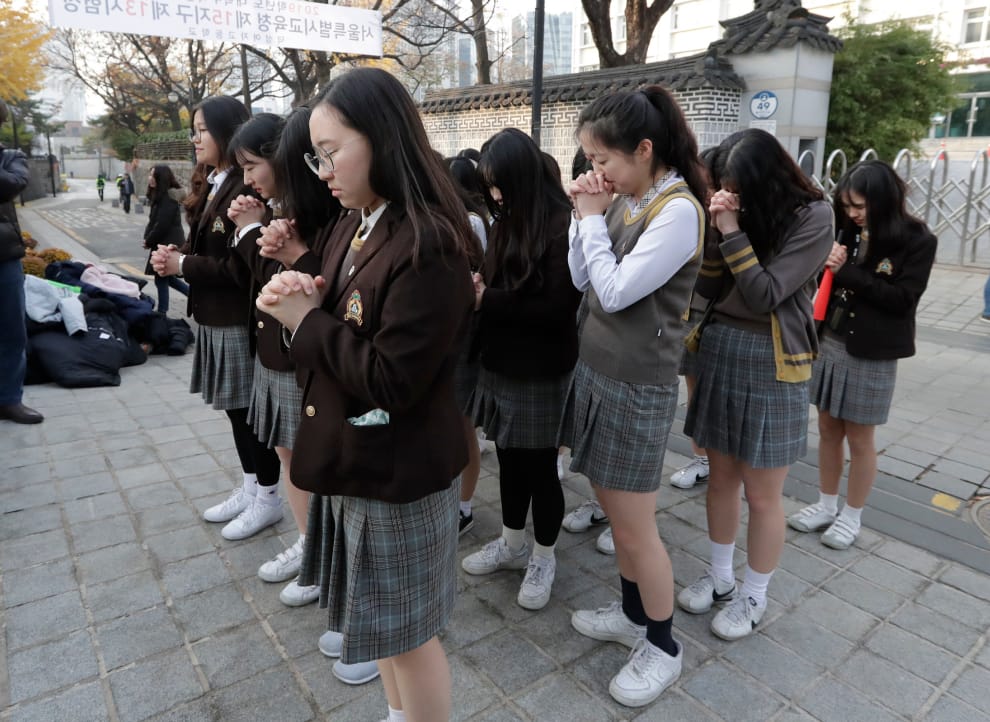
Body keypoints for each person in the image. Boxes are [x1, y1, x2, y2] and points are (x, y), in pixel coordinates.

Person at [256, 67, 475, 722]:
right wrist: (303, 287)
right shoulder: (358, 223)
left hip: (397, 472)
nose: (322, 171)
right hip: (358, 458)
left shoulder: (428, 242)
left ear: (383, 139)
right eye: (315, 157)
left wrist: (305, 320)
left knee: (408, 636)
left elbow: (392, 379)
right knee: (379, 625)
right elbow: (347, 314)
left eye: (331, 152)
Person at [561, 86, 706, 707]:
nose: (597, 172)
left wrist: (594, 220)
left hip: (637, 385)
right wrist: (583, 219)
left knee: (637, 526)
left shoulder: (678, 210)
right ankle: (631, 615)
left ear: (644, 150)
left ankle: (664, 646)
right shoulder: (628, 197)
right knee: (616, 514)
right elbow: (582, 278)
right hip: (598, 370)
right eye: (591, 161)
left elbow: (617, 292)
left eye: (603, 160)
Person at [678, 128, 832, 641]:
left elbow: (766, 293)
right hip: (721, 349)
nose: (730, 195)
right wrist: (717, 230)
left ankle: (754, 594)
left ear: (768, 181)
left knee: (763, 494)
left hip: (775, 361)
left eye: (738, 188)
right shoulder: (736, 213)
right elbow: (708, 284)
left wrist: (731, 228)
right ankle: (720, 576)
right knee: (721, 478)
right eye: (724, 187)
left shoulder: (814, 216)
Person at [151, 96, 284, 542]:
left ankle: (268, 497)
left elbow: (243, 268)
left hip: (235, 317)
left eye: (203, 129)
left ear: (228, 131)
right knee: (234, 410)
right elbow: (209, 248)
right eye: (194, 129)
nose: (195, 139)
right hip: (213, 315)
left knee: (248, 412)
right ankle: (251, 486)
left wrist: (183, 266)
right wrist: (178, 254)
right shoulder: (216, 181)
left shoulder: (247, 188)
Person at [460, 128, 581, 612]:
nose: (494, 194)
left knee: (540, 469)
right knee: (509, 459)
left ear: (522, 176)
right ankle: (512, 544)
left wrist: (487, 298)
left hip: (540, 367)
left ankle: (544, 557)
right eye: (490, 185)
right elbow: (499, 281)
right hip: (501, 361)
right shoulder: (508, 217)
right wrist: (481, 285)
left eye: (500, 183)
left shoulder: (560, 224)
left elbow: (557, 306)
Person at [788, 160, 937, 549]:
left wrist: (848, 272)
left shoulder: (917, 240)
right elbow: (825, 278)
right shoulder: (847, 231)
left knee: (860, 437)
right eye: (846, 205)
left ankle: (852, 516)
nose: (852, 213)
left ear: (883, 200)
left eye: (859, 206)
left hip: (872, 350)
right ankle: (826, 504)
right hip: (831, 341)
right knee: (827, 428)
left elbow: (902, 300)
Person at [445, 150, 488, 535]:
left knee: (463, 427)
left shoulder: (470, 221)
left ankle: (464, 507)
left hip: (465, 332)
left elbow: (477, 271)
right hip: (445, 335)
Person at [0, 98, 43, 425]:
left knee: (12, 331)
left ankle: (9, 399)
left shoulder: (11, 157)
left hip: (5, 257)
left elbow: (14, 185)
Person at [142, 164, 189, 314]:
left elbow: (162, 224)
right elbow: (153, 221)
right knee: (166, 277)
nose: (150, 178)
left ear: (160, 178)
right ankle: (193, 296)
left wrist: (149, 240)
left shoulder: (168, 198)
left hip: (169, 243)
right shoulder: (159, 196)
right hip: (162, 242)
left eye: (153, 175)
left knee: (161, 277)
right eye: (150, 174)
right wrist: (147, 239)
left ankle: (162, 312)